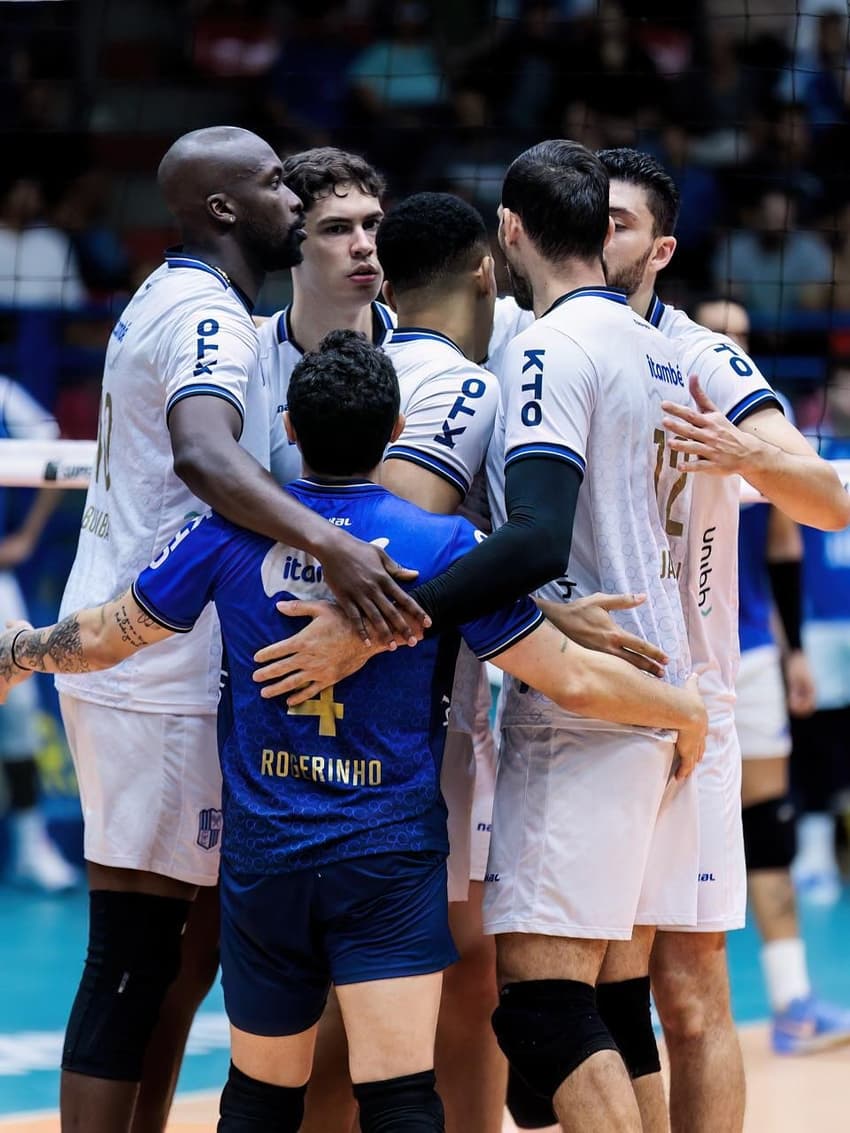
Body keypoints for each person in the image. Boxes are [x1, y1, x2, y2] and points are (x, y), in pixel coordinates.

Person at [0, 330, 709, 1133]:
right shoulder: (443, 546)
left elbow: (107, 635)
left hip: (266, 858)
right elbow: (572, 676)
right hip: (387, 860)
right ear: (399, 429)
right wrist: (682, 707)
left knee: (260, 1097)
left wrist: (21, 650)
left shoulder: (227, 533)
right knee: (401, 1096)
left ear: (289, 428)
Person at [53, 126, 425, 1133]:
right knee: (133, 956)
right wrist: (336, 548)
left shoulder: (177, 299)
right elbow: (205, 459)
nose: (293, 202)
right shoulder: (215, 322)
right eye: (273, 185)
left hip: (164, 660)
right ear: (223, 209)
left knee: (167, 952)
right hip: (149, 662)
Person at [590, 149, 850, 1133]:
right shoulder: (534, 345)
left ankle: (790, 994)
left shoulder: (701, 358)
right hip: (558, 696)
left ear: (659, 247)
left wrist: (749, 453)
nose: (596, 232)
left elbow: (817, 503)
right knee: (565, 994)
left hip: (699, 690)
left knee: (689, 984)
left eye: (617, 220)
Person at [0, 376, 77, 891]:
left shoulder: (4, 395)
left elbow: (63, 453)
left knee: (20, 707)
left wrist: (25, 537)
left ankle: (30, 843)